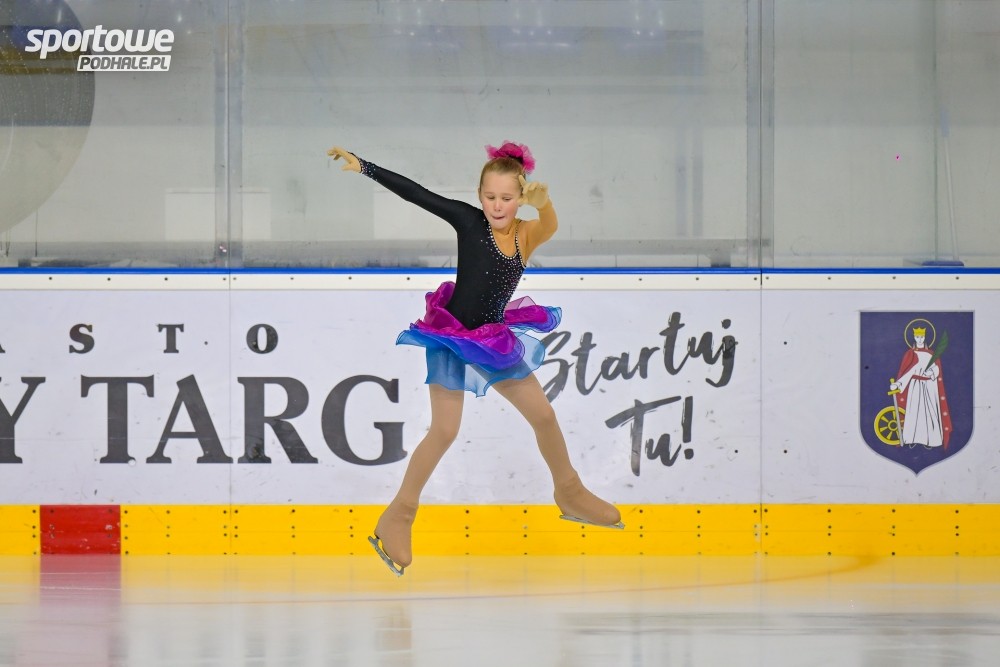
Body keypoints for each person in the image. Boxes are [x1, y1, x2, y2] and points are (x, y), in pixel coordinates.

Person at [326, 142, 623, 576]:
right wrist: (365, 167)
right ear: (479, 195)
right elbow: (419, 194)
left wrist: (545, 205)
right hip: (450, 336)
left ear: (521, 197)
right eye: (489, 196)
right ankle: (398, 515)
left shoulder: (526, 234)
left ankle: (570, 492)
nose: (497, 206)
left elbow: (550, 224)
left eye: (507, 198)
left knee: (543, 416)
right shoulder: (469, 221)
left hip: (493, 338)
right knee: (445, 430)